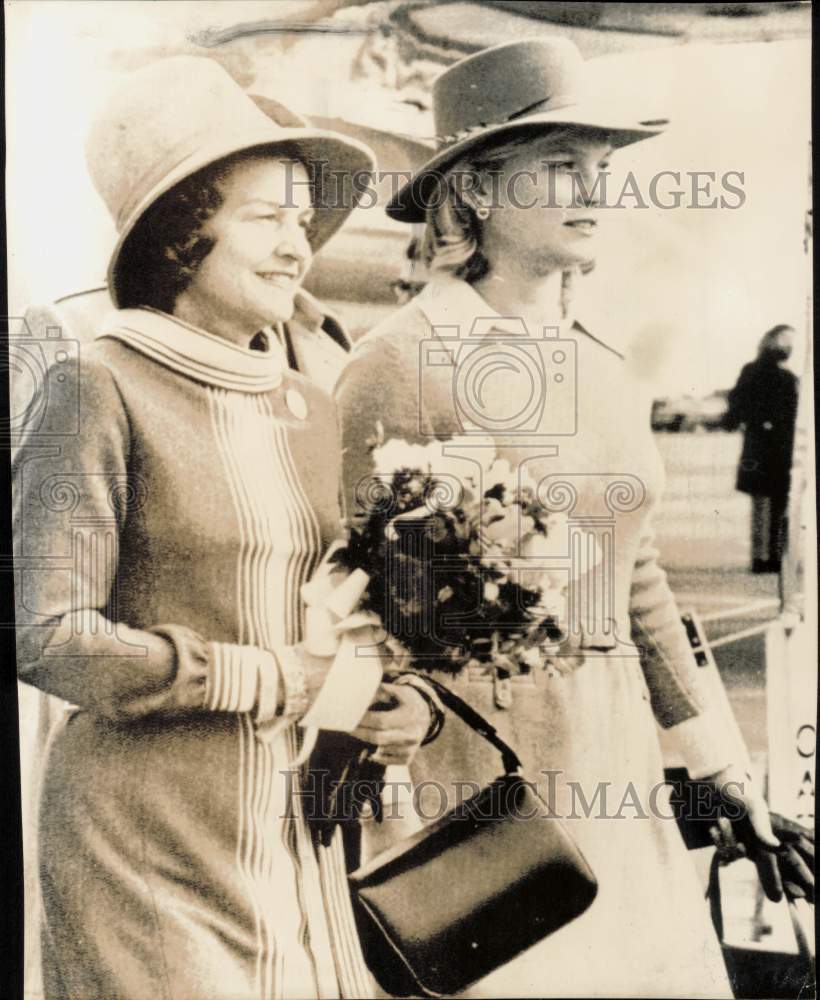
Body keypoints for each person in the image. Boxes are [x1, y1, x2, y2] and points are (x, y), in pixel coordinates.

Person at [335, 38, 785, 997]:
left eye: (602, 169)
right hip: (476, 794)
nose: (594, 190)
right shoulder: (395, 364)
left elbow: (637, 581)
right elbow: (347, 601)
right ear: (479, 194)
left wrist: (719, 764)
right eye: (561, 167)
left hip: (614, 769)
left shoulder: (605, 367)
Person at [13, 56, 437, 1000]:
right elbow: (45, 635)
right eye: (265, 217)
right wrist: (267, 677)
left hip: (294, 830)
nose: (298, 246)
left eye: (301, 220)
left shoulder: (306, 403)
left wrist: (392, 703)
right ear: (182, 237)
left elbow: (336, 613)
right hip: (145, 842)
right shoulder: (96, 385)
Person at [723, 324, 800, 573]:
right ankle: (772, 557)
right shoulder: (782, 378)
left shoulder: (760, 372)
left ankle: (764, 557)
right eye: (785, 343)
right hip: (773, 447)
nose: (788, 348)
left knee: (765, 503)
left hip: (763, 447)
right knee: (774, 502)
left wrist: (736, 421)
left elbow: (736, 405)